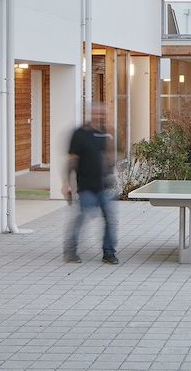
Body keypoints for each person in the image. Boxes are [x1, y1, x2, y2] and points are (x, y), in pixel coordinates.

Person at [63, 103, 118, 264]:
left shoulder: (106, 134)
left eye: (103, 113)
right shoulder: (80, 134)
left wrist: (112, 172)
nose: (100, 116)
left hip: (104, 186)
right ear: (91, 114)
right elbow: (72, 159)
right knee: (80, 217)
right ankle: (70, 251)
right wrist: (67, 182)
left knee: (109, 218)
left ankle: (108, 252)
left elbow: (110, 157)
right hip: (86, 184)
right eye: (97, 113)